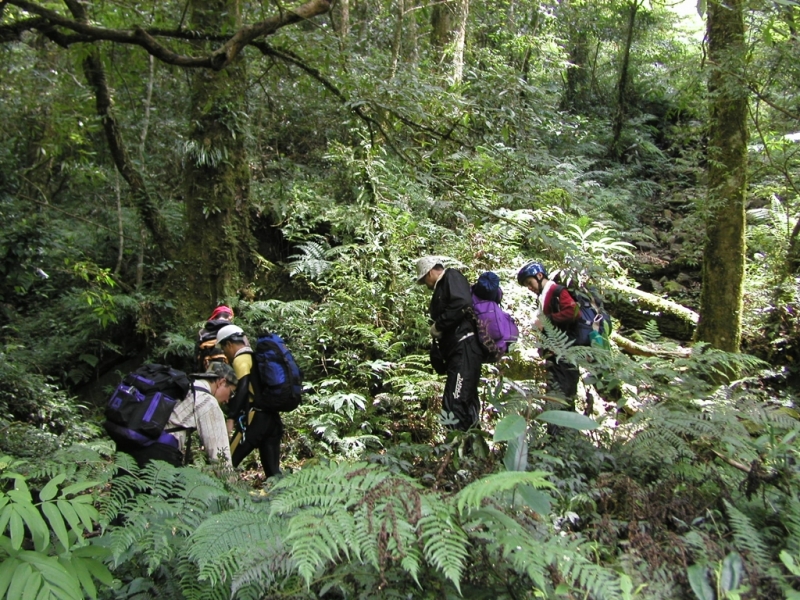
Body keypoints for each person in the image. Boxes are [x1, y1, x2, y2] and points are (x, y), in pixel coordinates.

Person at [118, 361, 238, 469]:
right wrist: (233, 488)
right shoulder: (207, 401)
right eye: (231, 393)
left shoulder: (182, 386)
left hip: (128, 446)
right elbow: (219, 455)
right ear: (221, 382)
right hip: (159, 455)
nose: (228, 400)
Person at [415, 256, 484, 431]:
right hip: (458, 352)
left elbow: (462, 303)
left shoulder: (451, 276)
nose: (425, 284)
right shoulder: (443, 286)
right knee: (463, 401)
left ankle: (457, 452)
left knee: (455, 403)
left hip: (465, 349)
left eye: (424, 279)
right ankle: (469, 449)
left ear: (431, 271)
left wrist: (439, 325)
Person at [216, 324, 283, 478]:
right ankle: (281, 498)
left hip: (256, 419)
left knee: (227, 462)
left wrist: (231, 417)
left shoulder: (241, 359)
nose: (225, 353)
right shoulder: (257, 357)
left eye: (224, 348)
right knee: (273, 472)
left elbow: (244, 388)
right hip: (273, 419)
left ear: (230, 344)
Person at [516, 261, 581, 402]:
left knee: (559, 399)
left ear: (539, 276)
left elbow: (573, 312)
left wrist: (546, 321)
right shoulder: (544, 295)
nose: (529, 287)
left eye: (529, 282)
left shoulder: (557, 291)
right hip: (555, 355)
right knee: (558, 397)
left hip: (565, 355)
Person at [195, 305, 234, 371]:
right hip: (228, 368)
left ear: (214, 317)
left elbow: (196, 354)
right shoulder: (233, 330)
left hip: (206, 367)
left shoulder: (202, 332)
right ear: (229, 317)